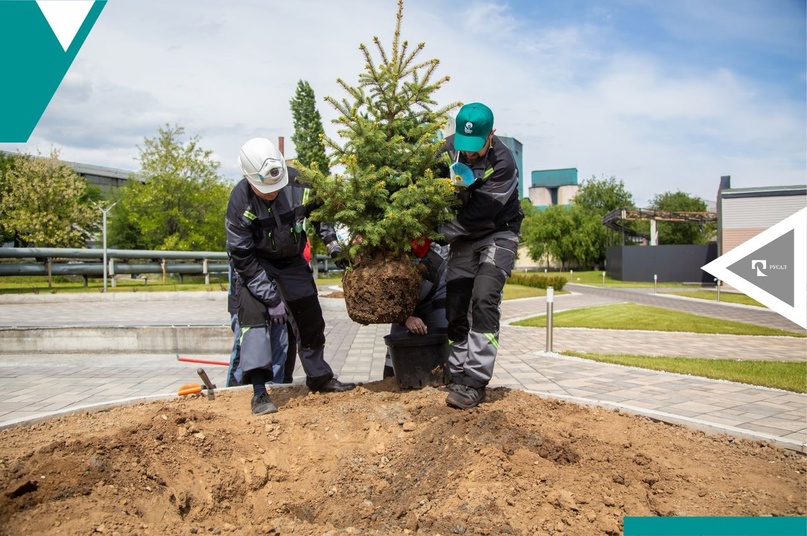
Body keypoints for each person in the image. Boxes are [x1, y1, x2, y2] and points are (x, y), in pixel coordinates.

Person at [226, 137, 355, 415]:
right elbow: (242, 257)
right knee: (254, 322)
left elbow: (321, 214)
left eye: (276, 186)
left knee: (310, 317)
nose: (272, 192)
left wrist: (332, 243)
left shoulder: (299, 183)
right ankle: (260, 393)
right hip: (256, 264)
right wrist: (270, 298)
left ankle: (319, 377)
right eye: (265, 189)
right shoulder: (240, 202)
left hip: (292, 260)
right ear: (249, 178)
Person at [435, 102, 523, 409]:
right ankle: (457, 372)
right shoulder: (447, 151)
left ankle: (474, 381)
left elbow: (479, 213)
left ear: (492, 135)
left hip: (497, 232)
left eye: (476, 147)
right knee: (456, 304)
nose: (469, 154)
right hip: (462, 238)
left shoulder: (504, 163)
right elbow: (423, 185)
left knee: (484, 298)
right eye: (464, 146)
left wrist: (439, 233)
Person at [383, 239, 448, 378]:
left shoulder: (440, 241)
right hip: (402, 304)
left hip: (437, 296)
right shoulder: (390, 242)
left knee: (444, 354)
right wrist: (404, 317)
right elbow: (382, 295)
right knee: (394, 359)